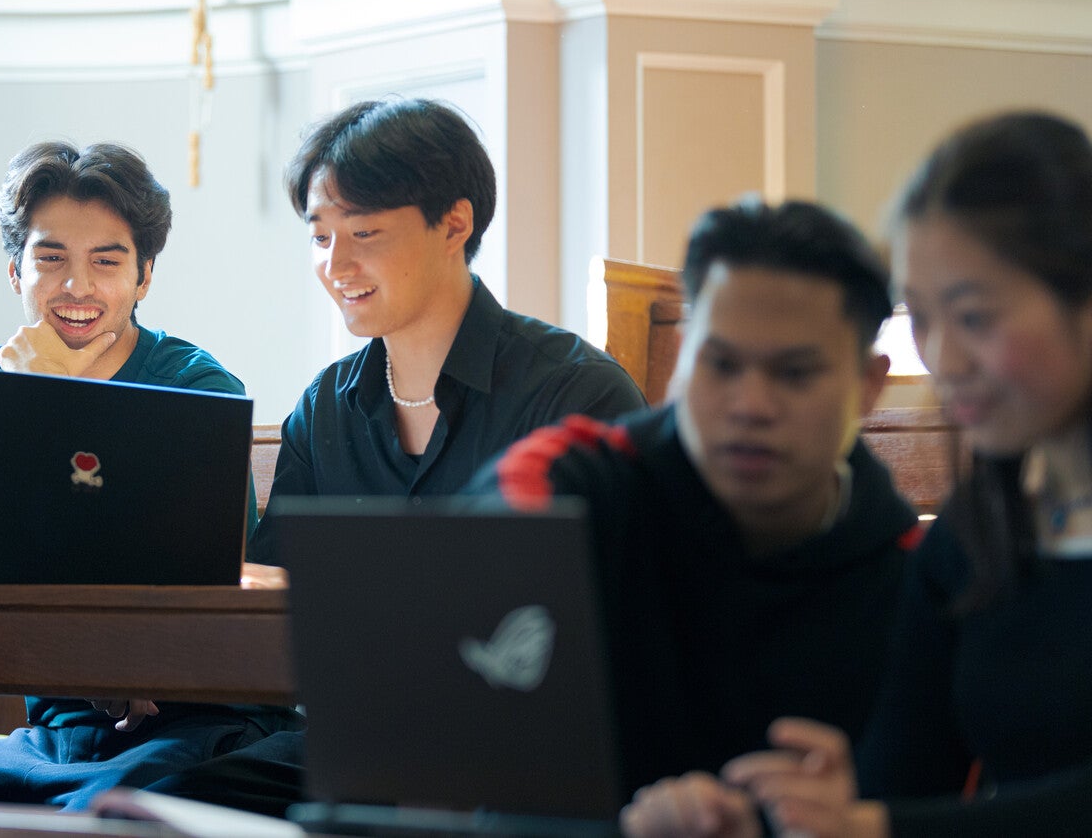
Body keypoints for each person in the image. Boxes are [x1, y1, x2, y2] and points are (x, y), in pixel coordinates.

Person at [145, 96, 646, 814]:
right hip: (359, 745)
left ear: (455, 224)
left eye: (366, 232)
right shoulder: (323, 409)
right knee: (167, 803)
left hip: (531, 759)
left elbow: (633, 620)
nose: (335, 264)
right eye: (320, 237)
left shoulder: (576, 395)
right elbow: (279, 600)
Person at [676, 113, 1092, 838]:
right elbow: (899, 781)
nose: (944, 360)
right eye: (923, 318)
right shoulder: (976, 533)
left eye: (974, 317)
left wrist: (874, 826)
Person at [0, 140, 297, 810]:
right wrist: (23, 402)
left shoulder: (195, 386)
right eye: (51, 259)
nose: (77, 287)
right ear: (15, 272)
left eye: (107, 261)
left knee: (96, 818)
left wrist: (50, 407)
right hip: (61, 731)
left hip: (199, 721)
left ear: (144, 275)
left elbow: (217, 584)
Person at [483, 198, 921, 830]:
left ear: (869, 386)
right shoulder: (575, 480)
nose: (750, 405)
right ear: (684, 357)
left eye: (795, 373)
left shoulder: (911, 576)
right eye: (721, 364)